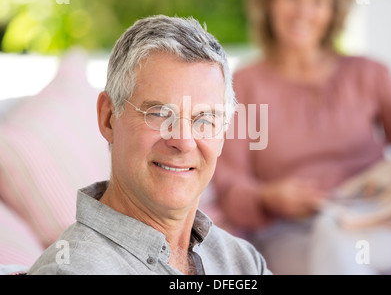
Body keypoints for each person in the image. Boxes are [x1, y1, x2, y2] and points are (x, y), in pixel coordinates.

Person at [212, 0, 391, 274]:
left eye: (318, 1)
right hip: (289, 231)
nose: (303, 11)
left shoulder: (368, 74)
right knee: (330, 240)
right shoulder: (246, 85)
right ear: (269, 2)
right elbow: (230, 183)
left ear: (333, 11)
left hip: (377, 220)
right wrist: (269, 197)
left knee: (333, 234)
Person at [28, 15, 271, 275]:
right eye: (159, 113)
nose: (184, 142)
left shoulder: (243, 262)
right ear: (108, 118)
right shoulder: (73, 270)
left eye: (204, 119)